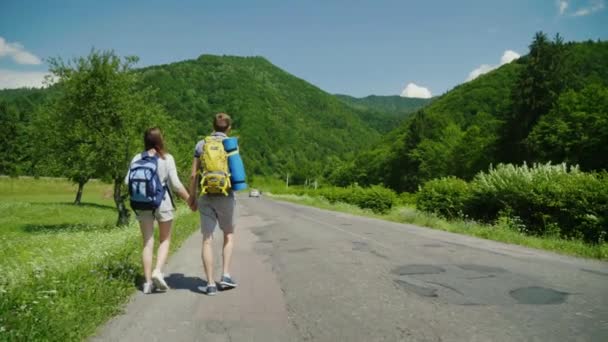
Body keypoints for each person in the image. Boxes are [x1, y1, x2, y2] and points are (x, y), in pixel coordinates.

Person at [127, 127, 190, 294]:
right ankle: (157, 271)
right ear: (160, 140)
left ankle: (147, 283)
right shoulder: (167, 158)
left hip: (142, 204)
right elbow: (176, 184)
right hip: (162, 202)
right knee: (165, 239)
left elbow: (128, 181)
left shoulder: (137, 158)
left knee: (147, 242)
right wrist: (190, 200)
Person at [188, 113, 238, 296]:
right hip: (226, 195)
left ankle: (210, 284)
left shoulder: (201, 144)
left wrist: (191, 197)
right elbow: (236, 172)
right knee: (229, 235)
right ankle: (225, 275)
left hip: (206, 195)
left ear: (213, 126)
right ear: (229, 128)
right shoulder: (231, 145)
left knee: (207, 239)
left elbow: (193, 175)